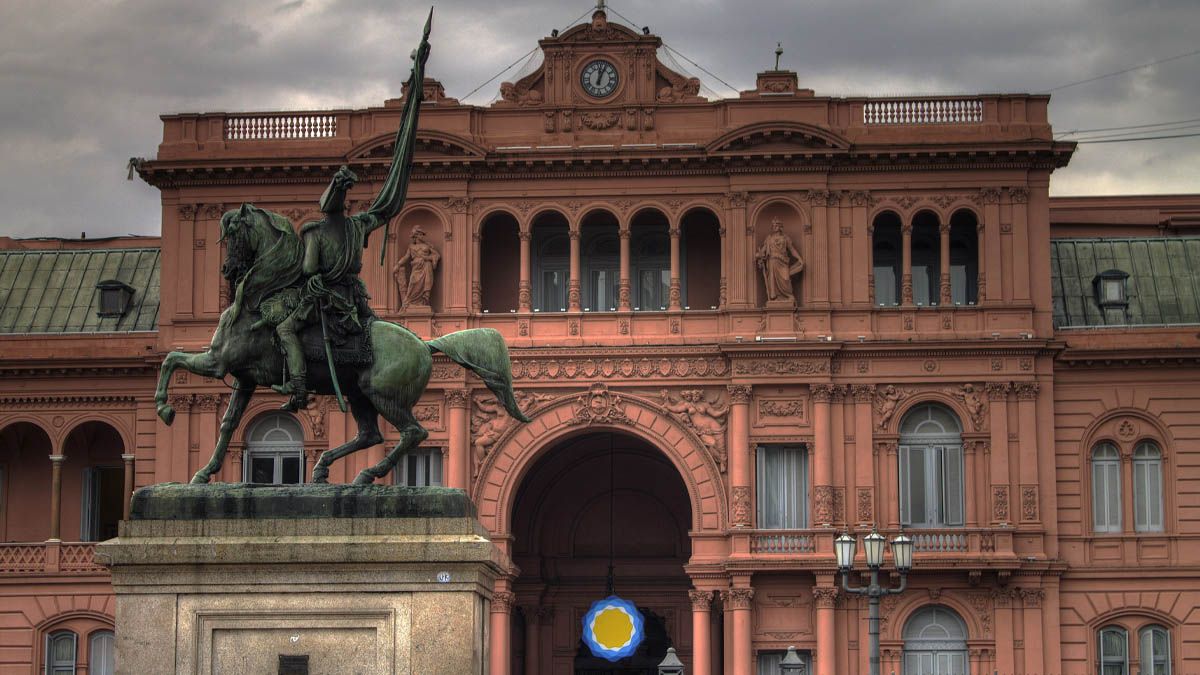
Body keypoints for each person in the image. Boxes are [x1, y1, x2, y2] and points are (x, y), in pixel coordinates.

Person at [755, 218, 804, 302]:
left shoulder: (785, 238)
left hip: (783, 261)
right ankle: (775, 298)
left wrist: (799, 258)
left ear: (780, 227)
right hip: (772, 262)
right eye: (773, 226)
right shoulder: (769, 238)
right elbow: (763, 251)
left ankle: (788, 296)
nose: (774, 227)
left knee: (786, 278)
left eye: (776, 225)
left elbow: (792, 250)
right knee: (773, 280)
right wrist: (759, 255)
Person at [393, 226, 440, 309]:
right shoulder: (411, 246)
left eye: (422, 234)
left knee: (426, 284)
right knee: (413, 283)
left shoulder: (427, 246)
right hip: (416, 267)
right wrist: (398, 265)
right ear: (416, 235)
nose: (422, 236)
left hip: (426, 266)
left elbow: (436, 255)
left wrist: (428, 258)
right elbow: (406, 257)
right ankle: (411, 302)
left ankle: (423, 303)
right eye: (421, 234)